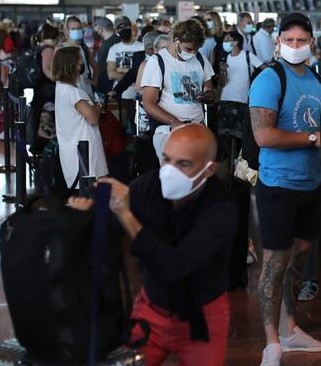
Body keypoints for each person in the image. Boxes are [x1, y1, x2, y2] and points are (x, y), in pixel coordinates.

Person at [69, 124, 235, 365]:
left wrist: (127, 216)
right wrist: (84, 216)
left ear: (209, 170)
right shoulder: (149, 186)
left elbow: (175, 267)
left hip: (203, 317)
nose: (169, 171)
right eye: (166, 159)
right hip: (150, 310)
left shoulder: (221, 210)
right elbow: (107, 229)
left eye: (183, 164)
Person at [249, 13, 321, 362]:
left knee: (300, 253)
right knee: (275, 262)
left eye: (302, 40)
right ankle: (272, 343)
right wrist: (312, 138)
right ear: (278, 41)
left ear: (312, 42)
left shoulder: (317, 79)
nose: (296, 46)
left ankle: (289, 327)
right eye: (289, 40)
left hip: (310, 182)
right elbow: (263, 135)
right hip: (279, 184)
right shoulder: (269, 78)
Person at [141, 20, 216, 161]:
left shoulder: (200, 59)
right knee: (175, 176)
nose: (193, 53)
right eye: (189, 49)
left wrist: (209, 95)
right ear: (176, 40)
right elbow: (148, 103)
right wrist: (173, 122)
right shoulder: (158, 62)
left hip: (197, 128)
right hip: (167, 131)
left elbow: (210, 88)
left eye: (197, 49)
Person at [52, 46, 107, 188]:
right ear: (71, 65)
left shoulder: (60, 86)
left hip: (72, 143)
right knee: (100, 182)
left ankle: (92, 209)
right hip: (86, 146)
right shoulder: (74, 93)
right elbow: (93, 118)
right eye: (80, 61)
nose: (82, 64)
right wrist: (99, 106)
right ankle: (102, 210)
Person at [107, 17, 144, 130]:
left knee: (137, 127)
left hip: (138, 96)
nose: (123, 30)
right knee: (120, 127)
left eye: (126, 27)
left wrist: (121, 69)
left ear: (131, 27)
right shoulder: (114, 48)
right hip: (121, 95)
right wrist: (133, 76)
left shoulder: (141, 46)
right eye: (120, 28)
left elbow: (144, 72)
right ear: (116, 31)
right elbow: (111, 74)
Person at [30, 24, 60, 154]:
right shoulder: (48, 50)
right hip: (47, 91)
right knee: (46, 120)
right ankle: (44, 151)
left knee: (42, 120)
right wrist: (59, 80)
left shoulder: (40, 47)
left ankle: (39, 148)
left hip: (40, 90)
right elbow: (46, 69)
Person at [218, 31, 265, 105]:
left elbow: (265, 69)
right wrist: (223, 71)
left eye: (227, 40)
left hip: (241, 100)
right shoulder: (225, 58)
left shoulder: (247, 55)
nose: (224, 42)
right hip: (225, 99)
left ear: (235, 42)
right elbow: (221, 83)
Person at [63, 16, 96, 97]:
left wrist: (94, 80)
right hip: (67, 92)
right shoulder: (60, 49)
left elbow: (96, 66)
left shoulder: (85, 48)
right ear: (67, 31)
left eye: (78, 28)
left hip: (85, 90)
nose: (76, 31)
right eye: (73, 29)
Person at [94, 16, 121, 96]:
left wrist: (102, 89)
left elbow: (103, 70)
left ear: (101, 29)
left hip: (108, 88)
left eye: (97, 29)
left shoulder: (106, 45)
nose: (96, 32)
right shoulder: (120, 40)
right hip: (119, 85)